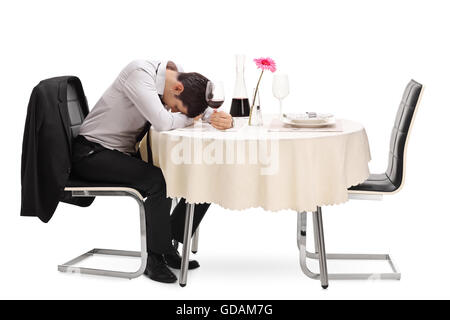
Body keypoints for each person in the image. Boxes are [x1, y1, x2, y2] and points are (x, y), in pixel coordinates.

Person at [71, 59, 233, 283]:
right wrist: (188, 117)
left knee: (198, 173)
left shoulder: (178, 78)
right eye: (175, 108)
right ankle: (153, 258)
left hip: (120, 153)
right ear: (177, 89)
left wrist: (217, 116)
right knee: (157, 181)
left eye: (175, 108)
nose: (172, 110)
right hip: (92, 154)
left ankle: (167, 244)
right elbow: (163, 122)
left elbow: (189, 111)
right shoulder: (138, 74)